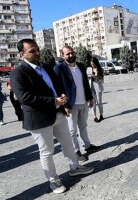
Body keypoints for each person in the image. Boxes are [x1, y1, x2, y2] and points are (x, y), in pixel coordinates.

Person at [10, 39, 94, 194]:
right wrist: (53, 101)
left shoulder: (47, 68)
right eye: (32, 51)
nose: (37, 53)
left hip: (58, 114)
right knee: (47, 151)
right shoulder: (18, 73)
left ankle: (75, 167)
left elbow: (57, 86)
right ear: (22, 54)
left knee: (68, 142)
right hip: (39, 119)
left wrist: (63, 100)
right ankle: (53, 180)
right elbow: (25, 97)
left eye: (37, 49)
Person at [54, 46, 101, 162]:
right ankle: (76, 151)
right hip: (71, 104)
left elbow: (85, 83)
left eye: (72, 53)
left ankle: (88, 146)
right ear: (62, 56)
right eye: (67, 54)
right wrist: (64, 105)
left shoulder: (80, 66)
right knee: (72, 130)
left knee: (83, 126)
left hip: (83, 101)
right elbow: (57, 87)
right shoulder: (59, 68)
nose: (71, 55)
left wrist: (90, 98)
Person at [89, 57, 104, 123]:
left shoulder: (100, 69)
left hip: (98, 86)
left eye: (93, 64)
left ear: (96, 63)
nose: (92, 65)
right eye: (91, 64)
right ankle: (94, 117)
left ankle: (101, 115)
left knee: (99, 102)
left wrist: (96, 77)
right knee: (93, 103)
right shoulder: (90, 69)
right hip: (91, 87)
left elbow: (101, 79)